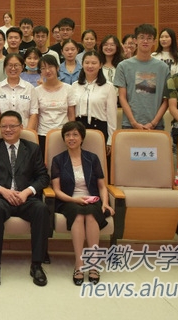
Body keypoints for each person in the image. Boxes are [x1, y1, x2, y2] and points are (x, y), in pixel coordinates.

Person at [0, 111, 49, 288]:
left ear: (21, 127)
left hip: (25, 197)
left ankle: (37, 265)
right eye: (4, 126)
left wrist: (27, 192)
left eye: (12, 126)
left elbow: (43, 177)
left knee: (41, 209)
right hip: (0, 198)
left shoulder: (32, 148)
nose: (8, 129)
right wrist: (2, 190)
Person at [51, 120, 114, 286]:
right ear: (64, 138)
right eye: (67, 135)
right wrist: (74, 199)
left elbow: (102, 186)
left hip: (92, 199)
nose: (71, 138)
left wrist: (105, 203)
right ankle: (79, 264)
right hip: (68, 200)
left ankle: (93, 264)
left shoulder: (92, 158)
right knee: (78, 214)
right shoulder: (58, 160)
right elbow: (57, 190)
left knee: (91, 214)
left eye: (75, 135)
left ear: (82, 138)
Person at [114, 24, 170, 130]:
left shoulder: (163, 68)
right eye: (142, 37)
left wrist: (153, 123)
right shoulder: (123, 66)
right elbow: (122, 97)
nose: (145, 41)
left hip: (156, 125)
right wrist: (133, 122)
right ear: (135, 40)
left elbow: (166, 100)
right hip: (129, 124)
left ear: (154, 41)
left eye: (149, 38)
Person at [72, 51, 117, 146]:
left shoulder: (108, 87)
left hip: (99, 128)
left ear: (100, 65)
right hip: (78, 129)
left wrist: (110, 141)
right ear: (82, 64)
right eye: (87, 63)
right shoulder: (75, 85)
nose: (90, 66)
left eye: (94, 63)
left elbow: (112, 116)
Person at [34, 55, 75, 156]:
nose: (47, 71)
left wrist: (71, 134)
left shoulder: (68, 89)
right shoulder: (36, 91)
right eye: (43, 68)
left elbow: (71, 115)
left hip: (63, 133)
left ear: (57, 67)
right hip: (43, 134)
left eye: (50, 67)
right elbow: (36, 116)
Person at [0, 53, 38, 132]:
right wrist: (5, 130)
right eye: (10, 65)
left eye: (16, 65)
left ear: (22, 67)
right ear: (5, 67)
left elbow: (33, 114)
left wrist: (27, 133)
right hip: (3, 133)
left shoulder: (30, 88)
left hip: (25, 132)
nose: (13, 68)